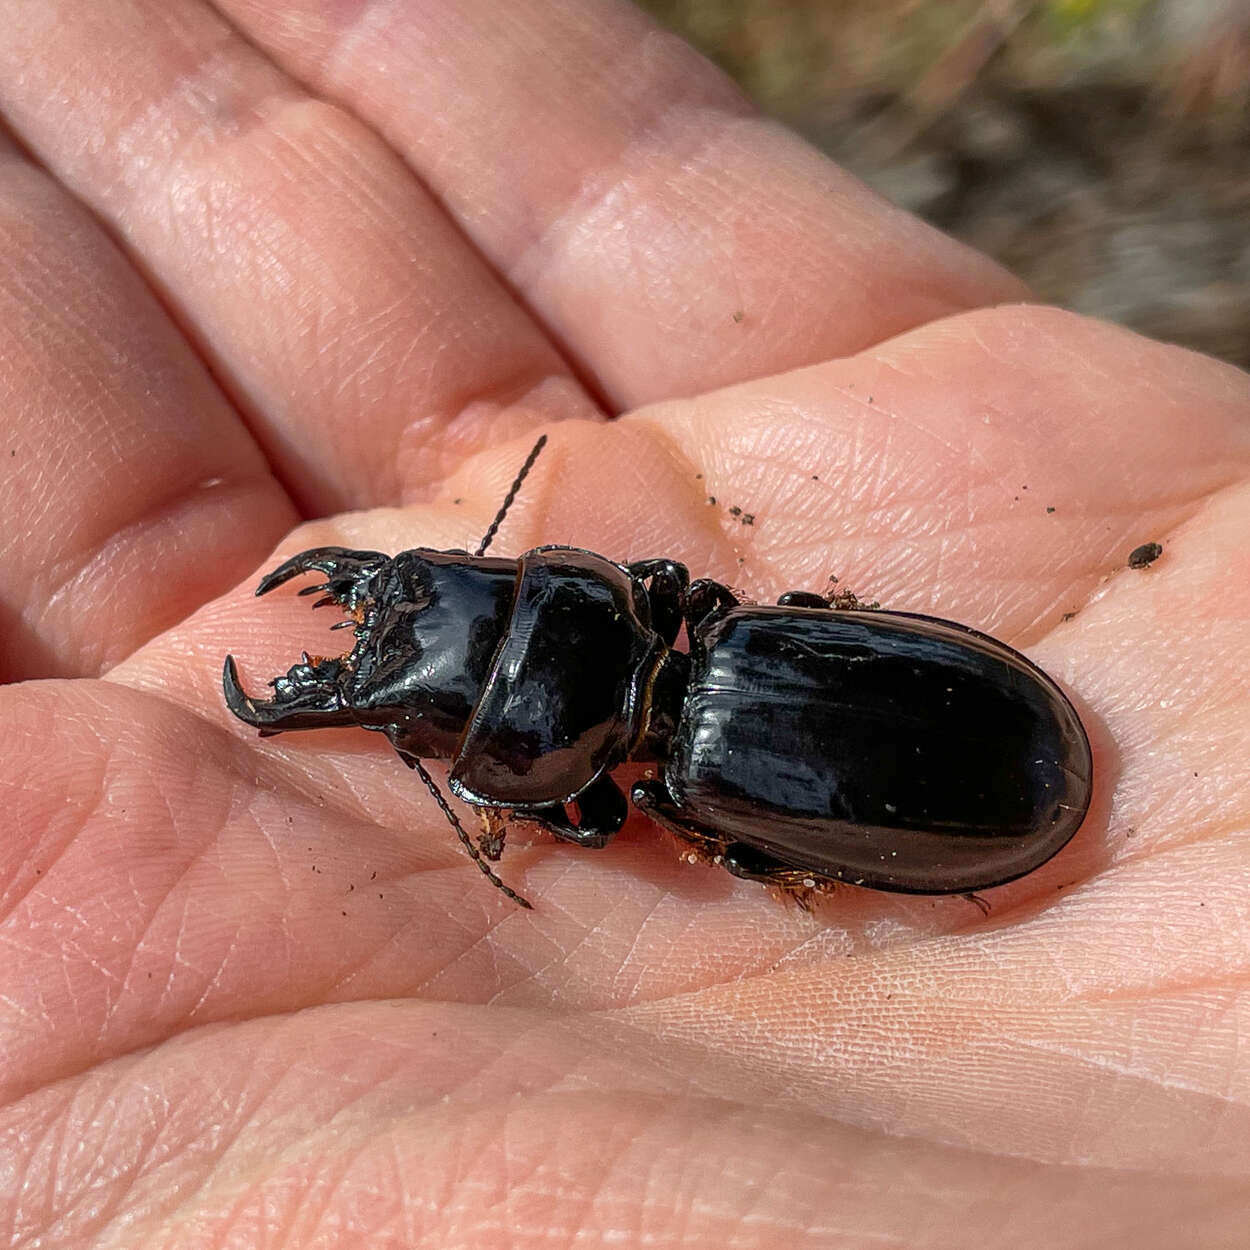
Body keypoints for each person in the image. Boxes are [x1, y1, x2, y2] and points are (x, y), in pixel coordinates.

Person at [2, 2, 1248, 1245]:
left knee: (734, 828)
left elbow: (584, 815)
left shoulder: (648, 788)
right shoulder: (710, 623)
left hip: (957, 784)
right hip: (963, 731)